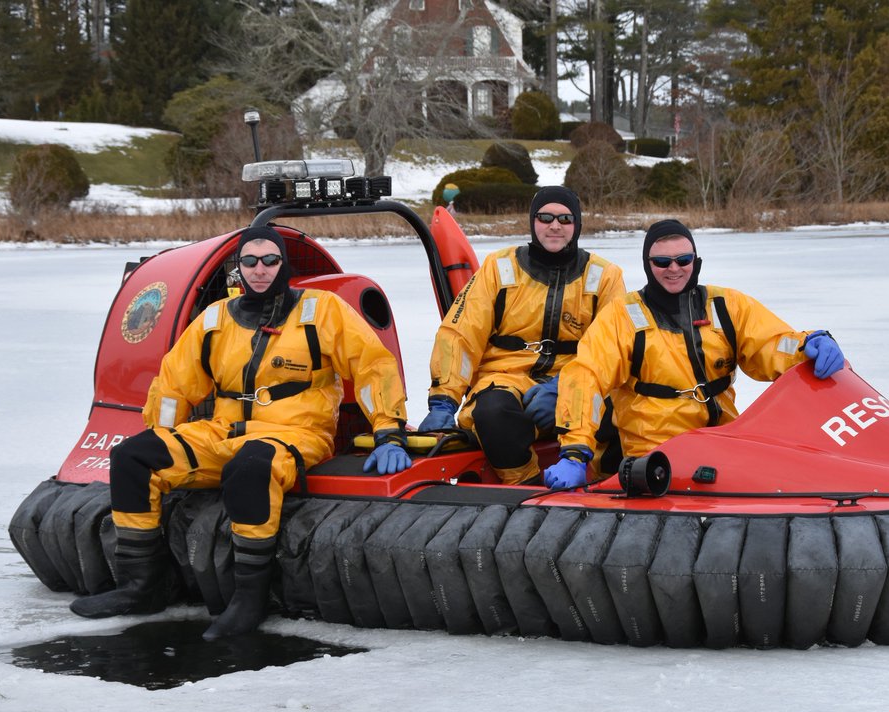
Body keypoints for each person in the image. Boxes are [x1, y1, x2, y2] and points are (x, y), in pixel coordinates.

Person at [71, 226, 412, 638]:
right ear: (238, 268)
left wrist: (388, 431)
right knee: (133, 458)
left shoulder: (321, 311)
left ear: (284, 264)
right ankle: (141, 587)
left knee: (251, 465)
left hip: (296, 432)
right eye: (250, 262)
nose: (260, 270)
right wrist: (161, 436)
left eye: (270, 260)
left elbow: (373, 366)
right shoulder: (215, 320)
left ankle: (249, 599)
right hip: (223, 432)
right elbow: (173, 385)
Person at [544, 219, 845, 489]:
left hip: (725, 442)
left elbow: (771, 344)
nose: (673, 269)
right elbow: (586, 376)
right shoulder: (622, 317)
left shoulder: (727, 305)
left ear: (695, 261)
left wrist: (807, 345)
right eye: (662, 261)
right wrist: (574, 452)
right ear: (648, 264)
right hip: (655, 455)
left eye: (683, 260)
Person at [418, 186, 625, 484]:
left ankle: (607, 485)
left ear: (576, 225)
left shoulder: (605, 276)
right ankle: (526, 487)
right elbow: (460, 334)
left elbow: (612, 347)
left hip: (576, 379)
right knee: (491, 414)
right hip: (505, 377)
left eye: (565, 219)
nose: (555, 226)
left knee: (621, 412)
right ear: (533, 221)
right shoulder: (498, 268)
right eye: (546, 217)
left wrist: (562, 388)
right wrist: (443, 401)